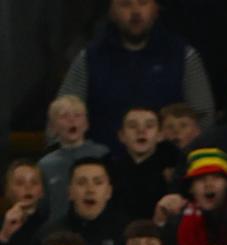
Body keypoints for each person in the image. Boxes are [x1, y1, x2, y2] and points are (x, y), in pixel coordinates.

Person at [57, 0, 214, 152]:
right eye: (125, 4)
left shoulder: (182, 55)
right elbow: (61, 113)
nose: (135, 12)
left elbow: (203, 116)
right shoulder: (90, 58)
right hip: (101, 170)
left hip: (169, 168)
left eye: (143, 3)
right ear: (111, 11)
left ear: (156, 8)